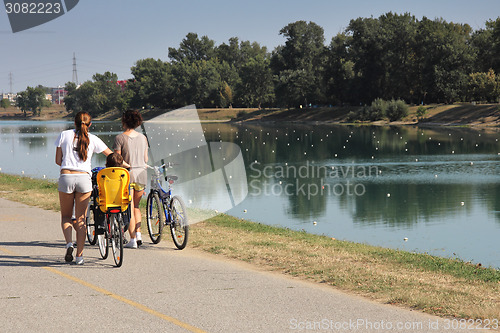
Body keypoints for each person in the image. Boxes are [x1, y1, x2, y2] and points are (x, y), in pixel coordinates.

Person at [55, 111, 112, 265]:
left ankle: (69, 244)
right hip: (84, 179)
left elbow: (58, 160)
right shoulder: (93, 139)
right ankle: (79, 257)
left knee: (66, 217)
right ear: (90, 124)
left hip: (66, 176)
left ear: (74, 123)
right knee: (81, 219)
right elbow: (111, 155)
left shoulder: (63, 135)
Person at [113, 110, 148, 248]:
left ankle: (132, 239)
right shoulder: (143, 138)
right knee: (136, 206)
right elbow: (145, 159)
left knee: (129, 207)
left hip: (127, 175)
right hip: (142, 174)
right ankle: (138, 233)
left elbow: (117, 160)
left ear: (124, 121)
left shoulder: (119, 138)